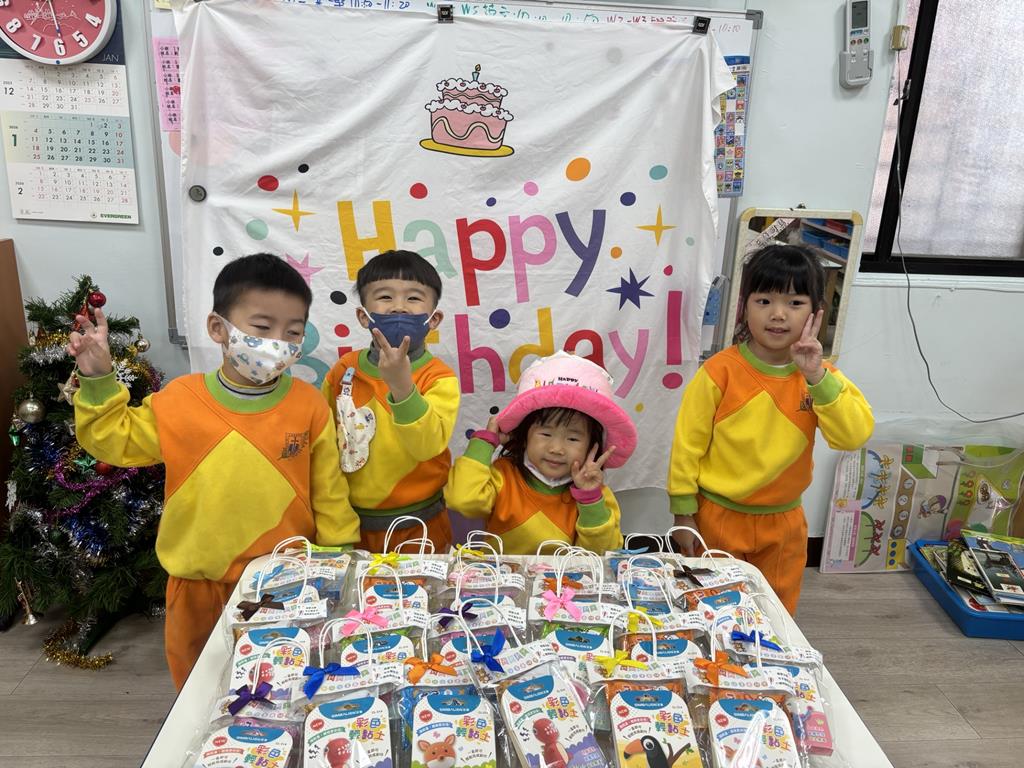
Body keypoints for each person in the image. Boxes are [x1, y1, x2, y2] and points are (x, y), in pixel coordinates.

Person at [68, 253, 360, 688]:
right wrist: (98, 379)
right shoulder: (180, 400)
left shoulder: (309, 404)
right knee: (200, 689)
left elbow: (329, 491)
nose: (278, 342)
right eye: (262, 327)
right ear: (218, 328)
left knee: (280, 685)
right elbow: (112, 440)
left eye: (293, 332)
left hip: (283, 583)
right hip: (197, 586)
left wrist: (339, 559)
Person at [668, 244, 873, 614]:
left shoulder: (822, 377)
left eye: (795, 303)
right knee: (714, 608)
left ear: (816, 313)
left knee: (776, 613)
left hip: (784, 522)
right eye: (764, 301)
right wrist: (683, 513)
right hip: (717, 516)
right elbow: (687, 446)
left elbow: (852, 436)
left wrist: (816, 376)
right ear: (744, 306)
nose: (778, 314)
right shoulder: (719, 371)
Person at [322, 250, 459, 553]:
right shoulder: (343, 370)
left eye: (413, 298)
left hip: (421, 523)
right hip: (351, 523)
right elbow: (323, 446)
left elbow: (427, 446)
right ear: (363, 316)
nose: (399, 307)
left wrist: (401, 386)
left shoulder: (439, 377)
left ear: (434, 319)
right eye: (385, 297)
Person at [446, 351, 635, 555]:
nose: (556, 449)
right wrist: (485, 442)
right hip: (501, 575)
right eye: (545, 434)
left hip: (565, 576)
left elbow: (602, 554)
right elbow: (462, 500)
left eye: (572, 439)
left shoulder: (597, 495)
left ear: (593, 446)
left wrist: (590, 500)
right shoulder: (503, 476)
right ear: (524, 435)